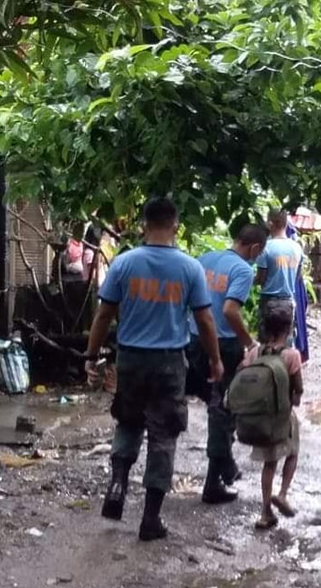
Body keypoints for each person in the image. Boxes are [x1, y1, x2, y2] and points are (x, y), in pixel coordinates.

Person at [84, 197, 224, 542]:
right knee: (164, 435)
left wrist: (90, 355)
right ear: (175, 226)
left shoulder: (124, 263)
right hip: (168, 362)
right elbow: (205, 320)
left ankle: (117, 484)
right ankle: (150, 519)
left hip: (130, 358)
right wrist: (216, 359)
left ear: (144, 225)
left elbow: (104, 314)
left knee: (128, 421)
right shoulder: (189, 268)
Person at [190, 223, 268, 505]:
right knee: (223, 410)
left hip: (193, 340)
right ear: (255, 248)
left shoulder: (205, 260)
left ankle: (224, 467)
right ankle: (217, 477)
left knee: (215, 404)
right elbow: (230, 310)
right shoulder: (243, 270)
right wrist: (249, 342)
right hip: (223, 345)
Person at [240, 302, 304, 530]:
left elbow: (242, 374)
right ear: (288, 329)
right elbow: (299, 389)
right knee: (293, 452)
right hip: (283, 417)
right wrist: (293, 398)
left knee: (269, 464)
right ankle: (283, 493)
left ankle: (265, 511)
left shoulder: (255, 352)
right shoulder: (291, 355)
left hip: (261, 418)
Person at [256, 209, 304, 344]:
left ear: (270, 224)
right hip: (288, 300)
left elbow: (261, 278)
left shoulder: (266, 247)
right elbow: (298, 277)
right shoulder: (296, 248)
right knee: (286, 341)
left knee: (267, 342)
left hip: (268, 300)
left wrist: (249, 279)